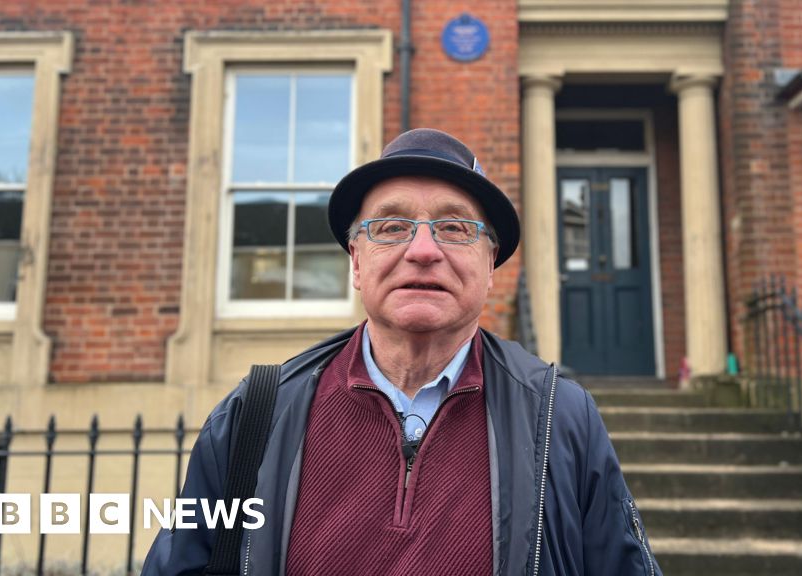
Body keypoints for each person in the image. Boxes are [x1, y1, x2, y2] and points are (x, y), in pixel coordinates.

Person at [142, 128, 662, 575]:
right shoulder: (256, 413)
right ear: (356, 262)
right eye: (391, 227)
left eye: (455, 228)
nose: (423, 250)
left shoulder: (560, 417)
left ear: (490, 265)